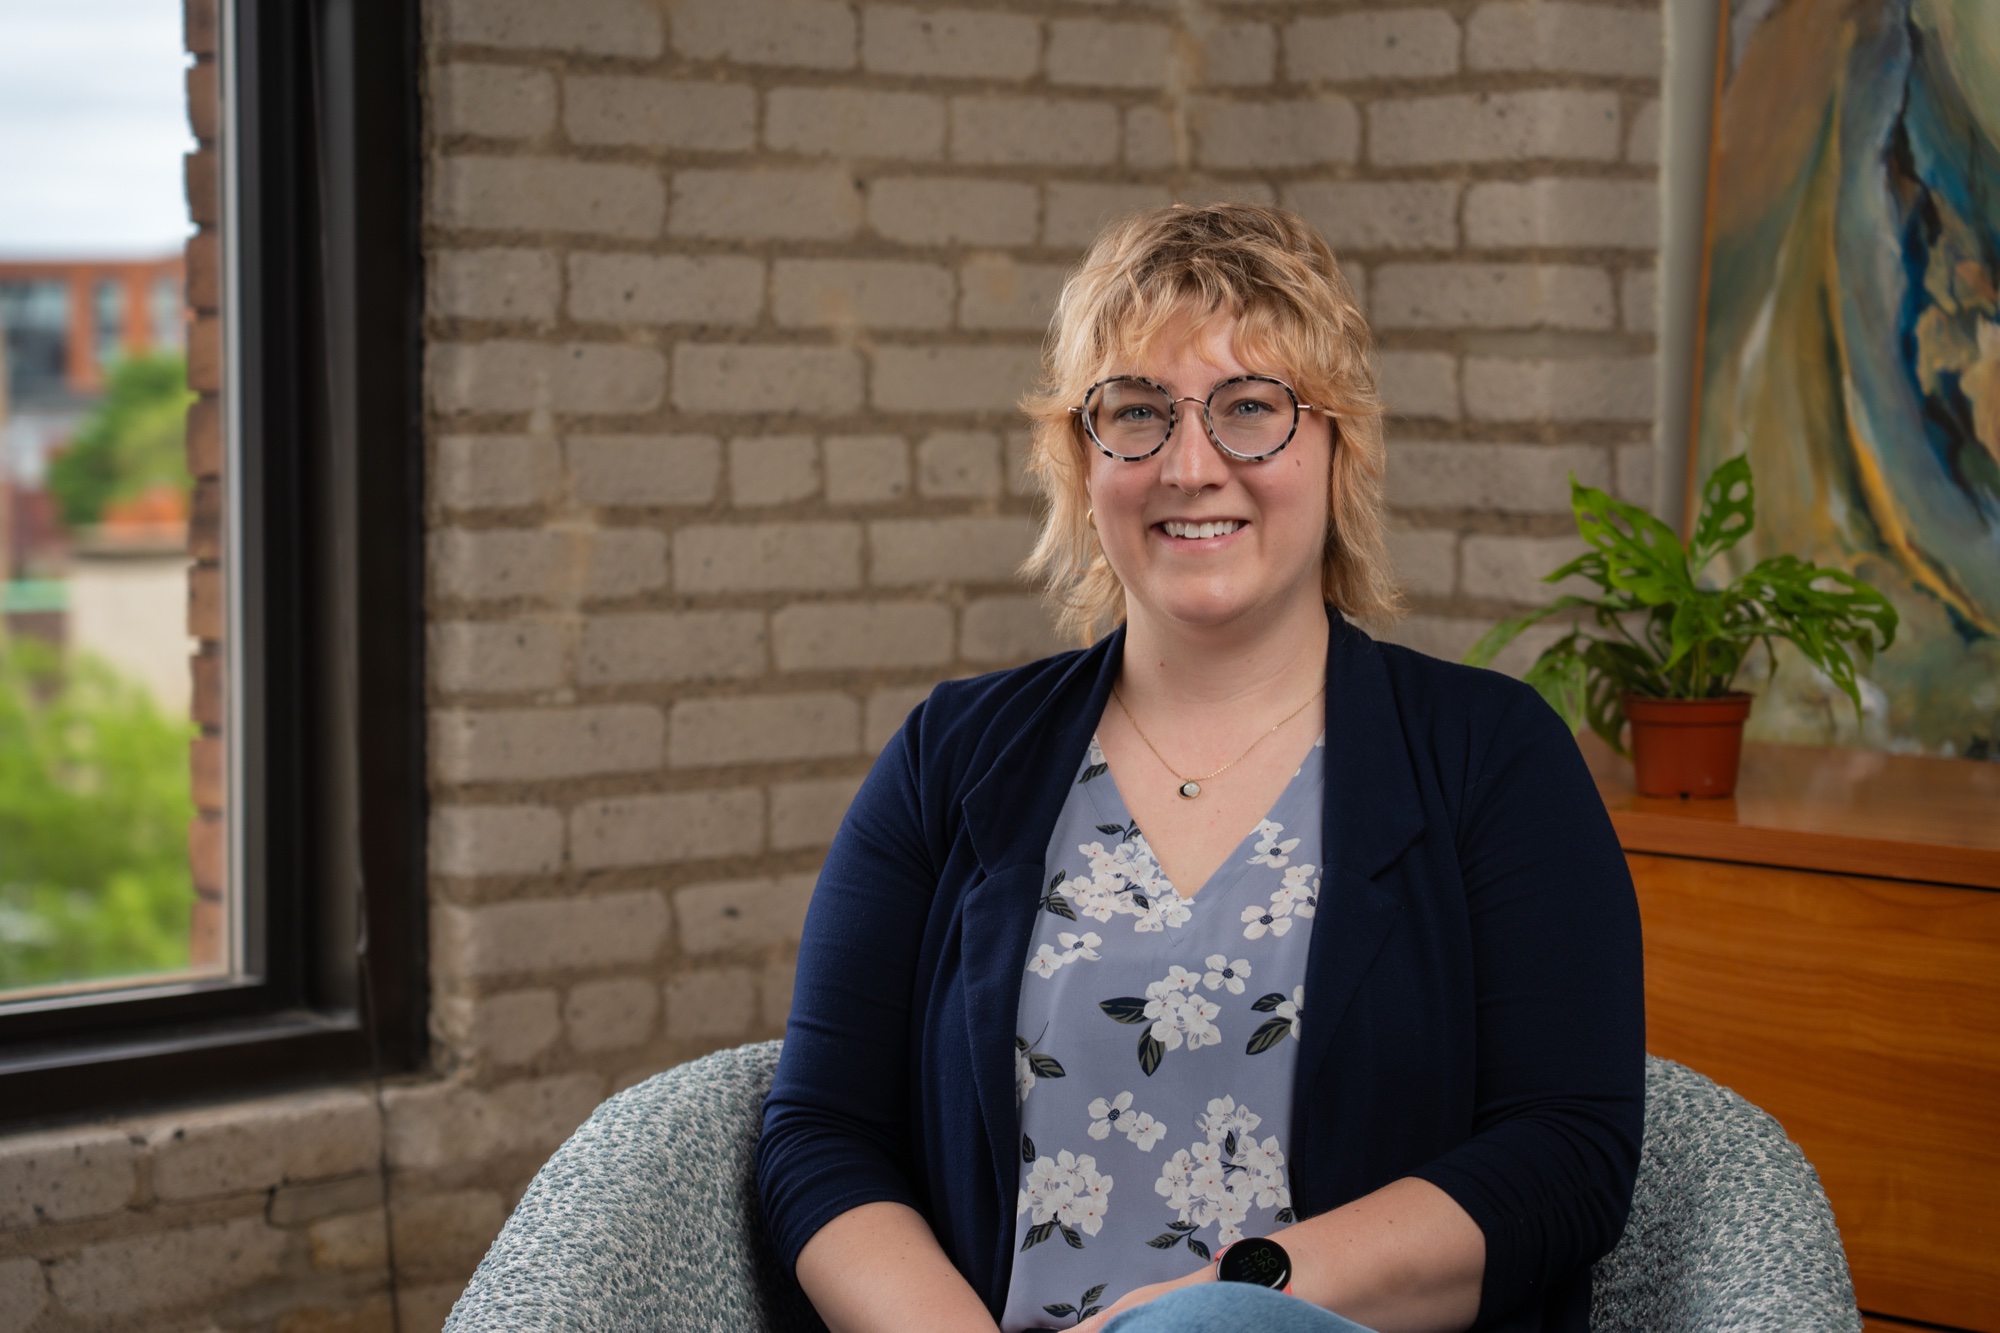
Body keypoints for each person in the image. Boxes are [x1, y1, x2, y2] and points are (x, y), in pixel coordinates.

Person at [755, 203, 1644, 1333]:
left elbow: (1566, 1150)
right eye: (1134, 412)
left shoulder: (1492, 756)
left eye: (1248, 410)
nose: (1188, 465)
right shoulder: (952, 755)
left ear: (1338, 444)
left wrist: (1228, 1300)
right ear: (1079, 459)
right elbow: (820, 1132)